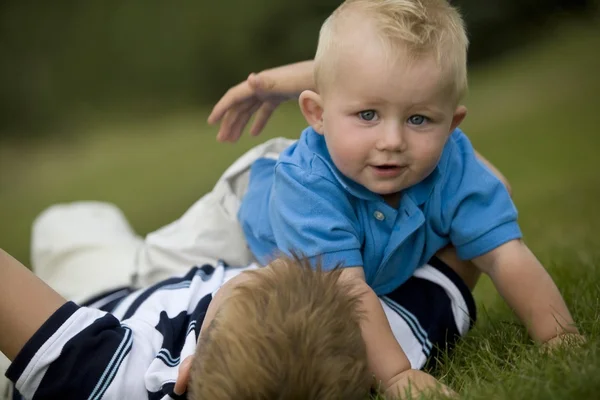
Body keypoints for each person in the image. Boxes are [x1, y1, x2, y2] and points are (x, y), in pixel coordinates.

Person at [211, 0, 583, 396]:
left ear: (452, 124)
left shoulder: (454, 164)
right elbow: (347, 290)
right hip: (239, 221)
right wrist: (396, 374)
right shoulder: (307, 186)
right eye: (369, 115)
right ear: (317, 114)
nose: (392, 142)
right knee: (148, 269)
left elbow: (506, 253)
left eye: (418, 119)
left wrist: (559, 336)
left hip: (342, 174)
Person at [0, 202, 466, 399]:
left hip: (96, 297)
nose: (265, 265)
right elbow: (473, 225)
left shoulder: (107, 378)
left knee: (64, 224)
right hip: (167, 273)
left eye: (247, 279)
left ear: (185, 371)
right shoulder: (386, 345)